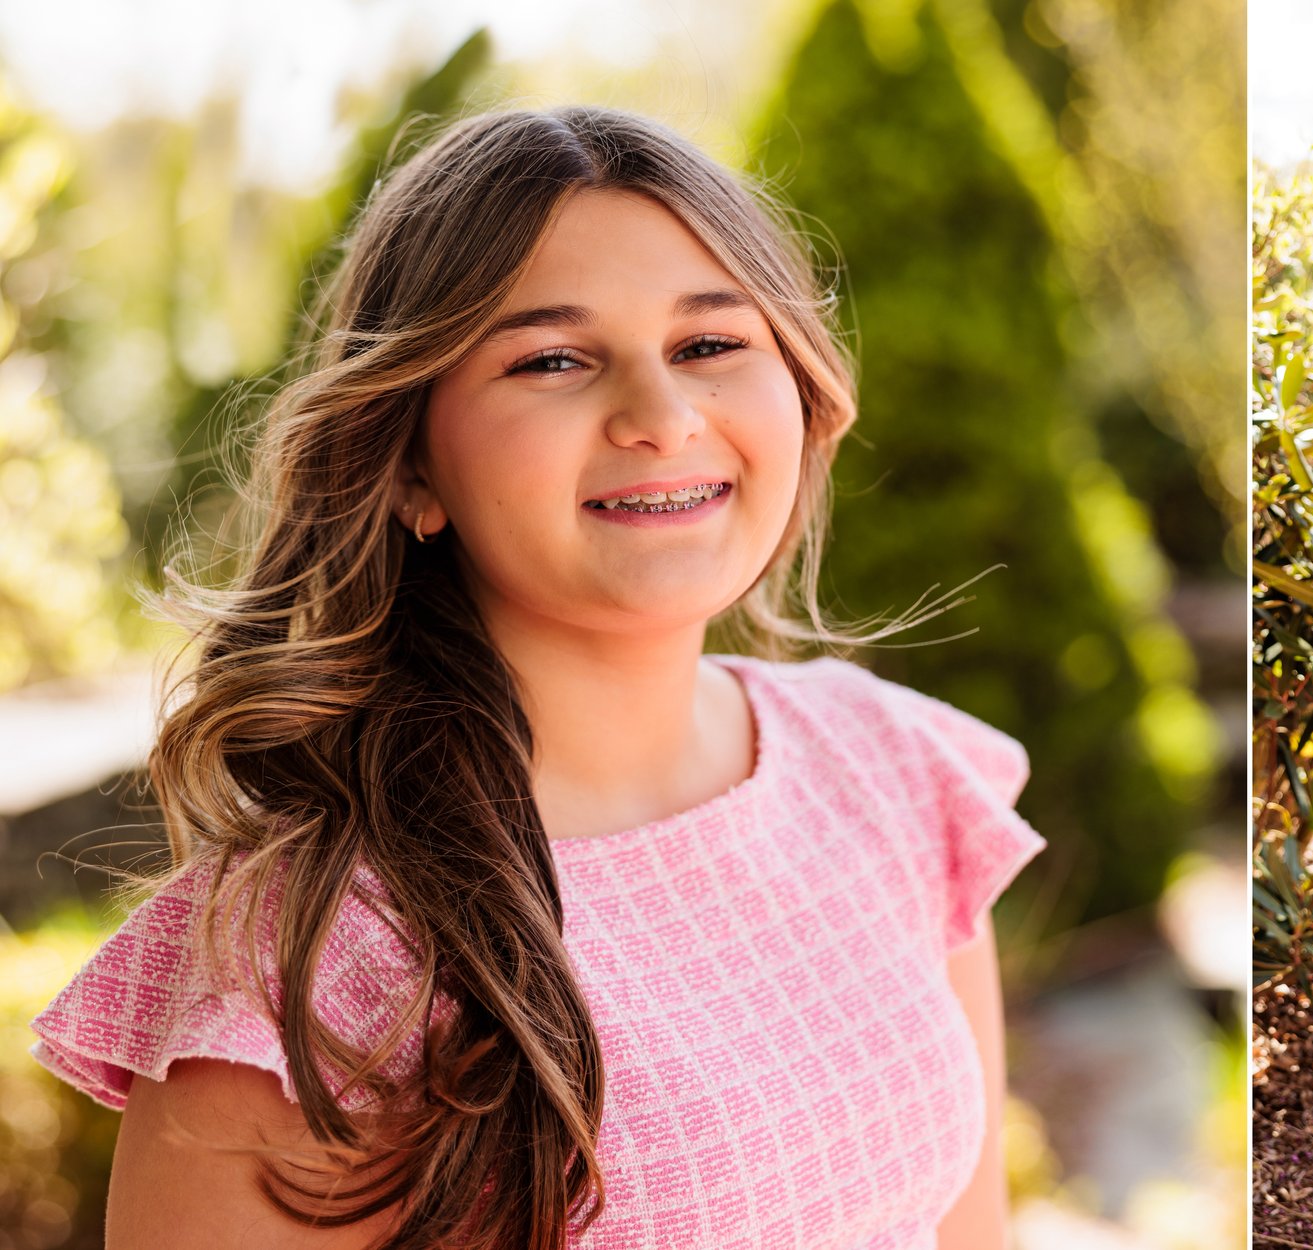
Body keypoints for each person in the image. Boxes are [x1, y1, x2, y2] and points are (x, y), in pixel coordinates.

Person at [27, 106, 1042, 1249]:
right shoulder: (305, 949)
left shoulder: (892, 766)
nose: (661, 418)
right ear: (409, 464)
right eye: (552, 359)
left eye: (710, 344)